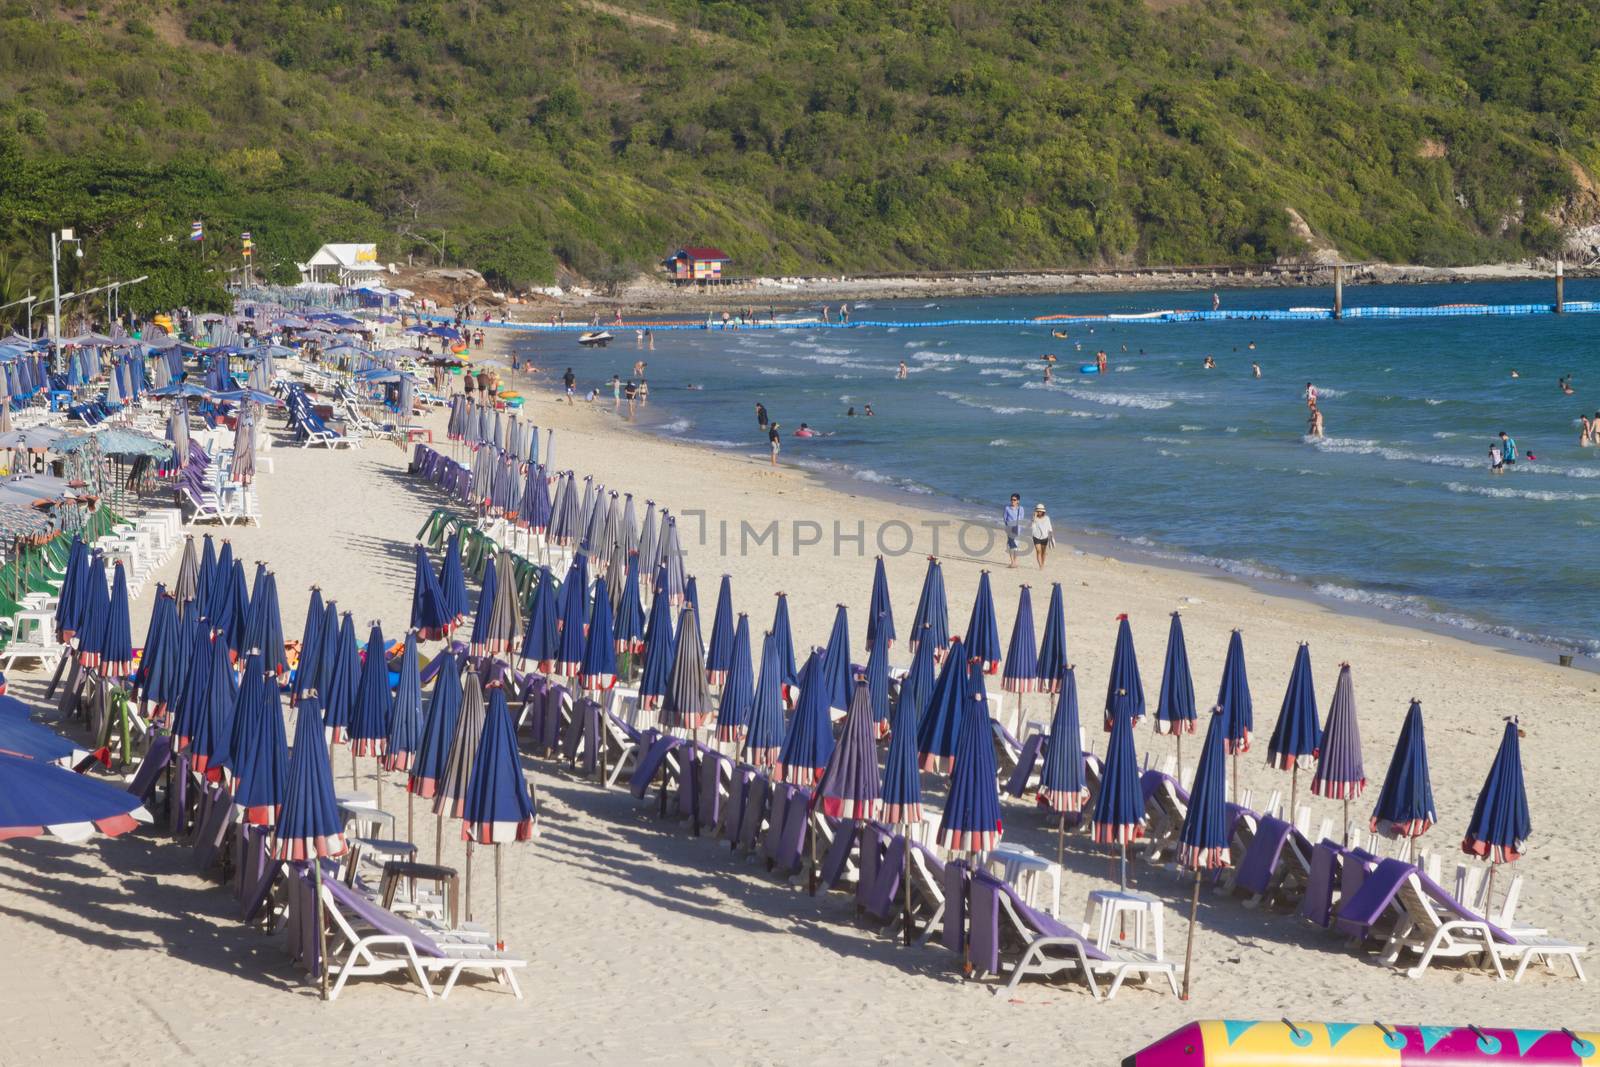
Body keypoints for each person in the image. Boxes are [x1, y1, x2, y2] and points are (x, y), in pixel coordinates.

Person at [1031, 503, 1055, 569]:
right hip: (1036, 536)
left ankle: (1043, 563)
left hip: (1045, 537)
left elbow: (1049, 527)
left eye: (1040, 511)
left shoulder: (1047, 518)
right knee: (1038, 551)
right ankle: (1040, 566)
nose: (1039, 512)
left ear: (1043, 511)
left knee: (1043, 552)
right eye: (1037, 511)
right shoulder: (1034, 518)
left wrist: (1051, 534)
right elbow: (1032, 527)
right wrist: (1034, 518)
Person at [1003, 494, 1024, 568]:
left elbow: (1021, 519)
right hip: (1009, 528)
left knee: (1016, 546)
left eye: (1014, 500)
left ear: (1018, 501)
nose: (1012, 501)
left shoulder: (1021, 508)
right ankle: (1012, 562)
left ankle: (1015, 562)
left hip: (1018, 529)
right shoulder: (1007, 508)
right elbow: (1005, 518)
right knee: (1011, 545)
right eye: (1011, 499)